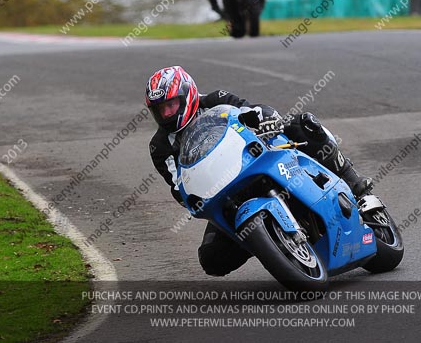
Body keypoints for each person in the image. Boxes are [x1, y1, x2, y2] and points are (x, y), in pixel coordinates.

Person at [145, 65, 373, 277]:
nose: (166, 114)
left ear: (187, 96)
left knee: (301, 124)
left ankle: (352, 181)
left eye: (170, 105)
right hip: (222, 189)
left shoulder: (216, 99)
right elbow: (177, 184)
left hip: (254, 157)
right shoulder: (160, 146)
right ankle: (267, 238)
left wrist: (266, 117)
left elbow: (252, 109)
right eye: (159, 110)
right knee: (211, 260)